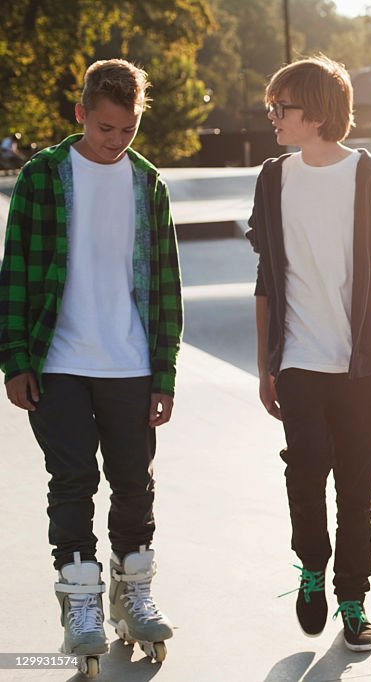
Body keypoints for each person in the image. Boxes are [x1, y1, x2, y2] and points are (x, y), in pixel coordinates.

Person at [0, 59, 181, 662]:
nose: (116, 141)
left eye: (128, 130)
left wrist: (164, 372)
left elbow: (165, 286)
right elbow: (16, 274)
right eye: (105, 128)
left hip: (129, 362)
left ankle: (134, 594)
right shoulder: (42, 176)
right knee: (72, 483)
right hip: (59, 361)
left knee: (134, 485)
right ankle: (81, 601)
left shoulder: (148, 184)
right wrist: (15, 360)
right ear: (81, 115)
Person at [246, 55, 371, 649]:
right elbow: (267, 272)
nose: (272, 117)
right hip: (297, 360)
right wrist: (266, 362)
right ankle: (311, 569)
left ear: (316, 112)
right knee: (306, 473)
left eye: (280, 107)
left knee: (357, 488)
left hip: (363, 366)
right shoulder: (273, 178)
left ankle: (353, 599)